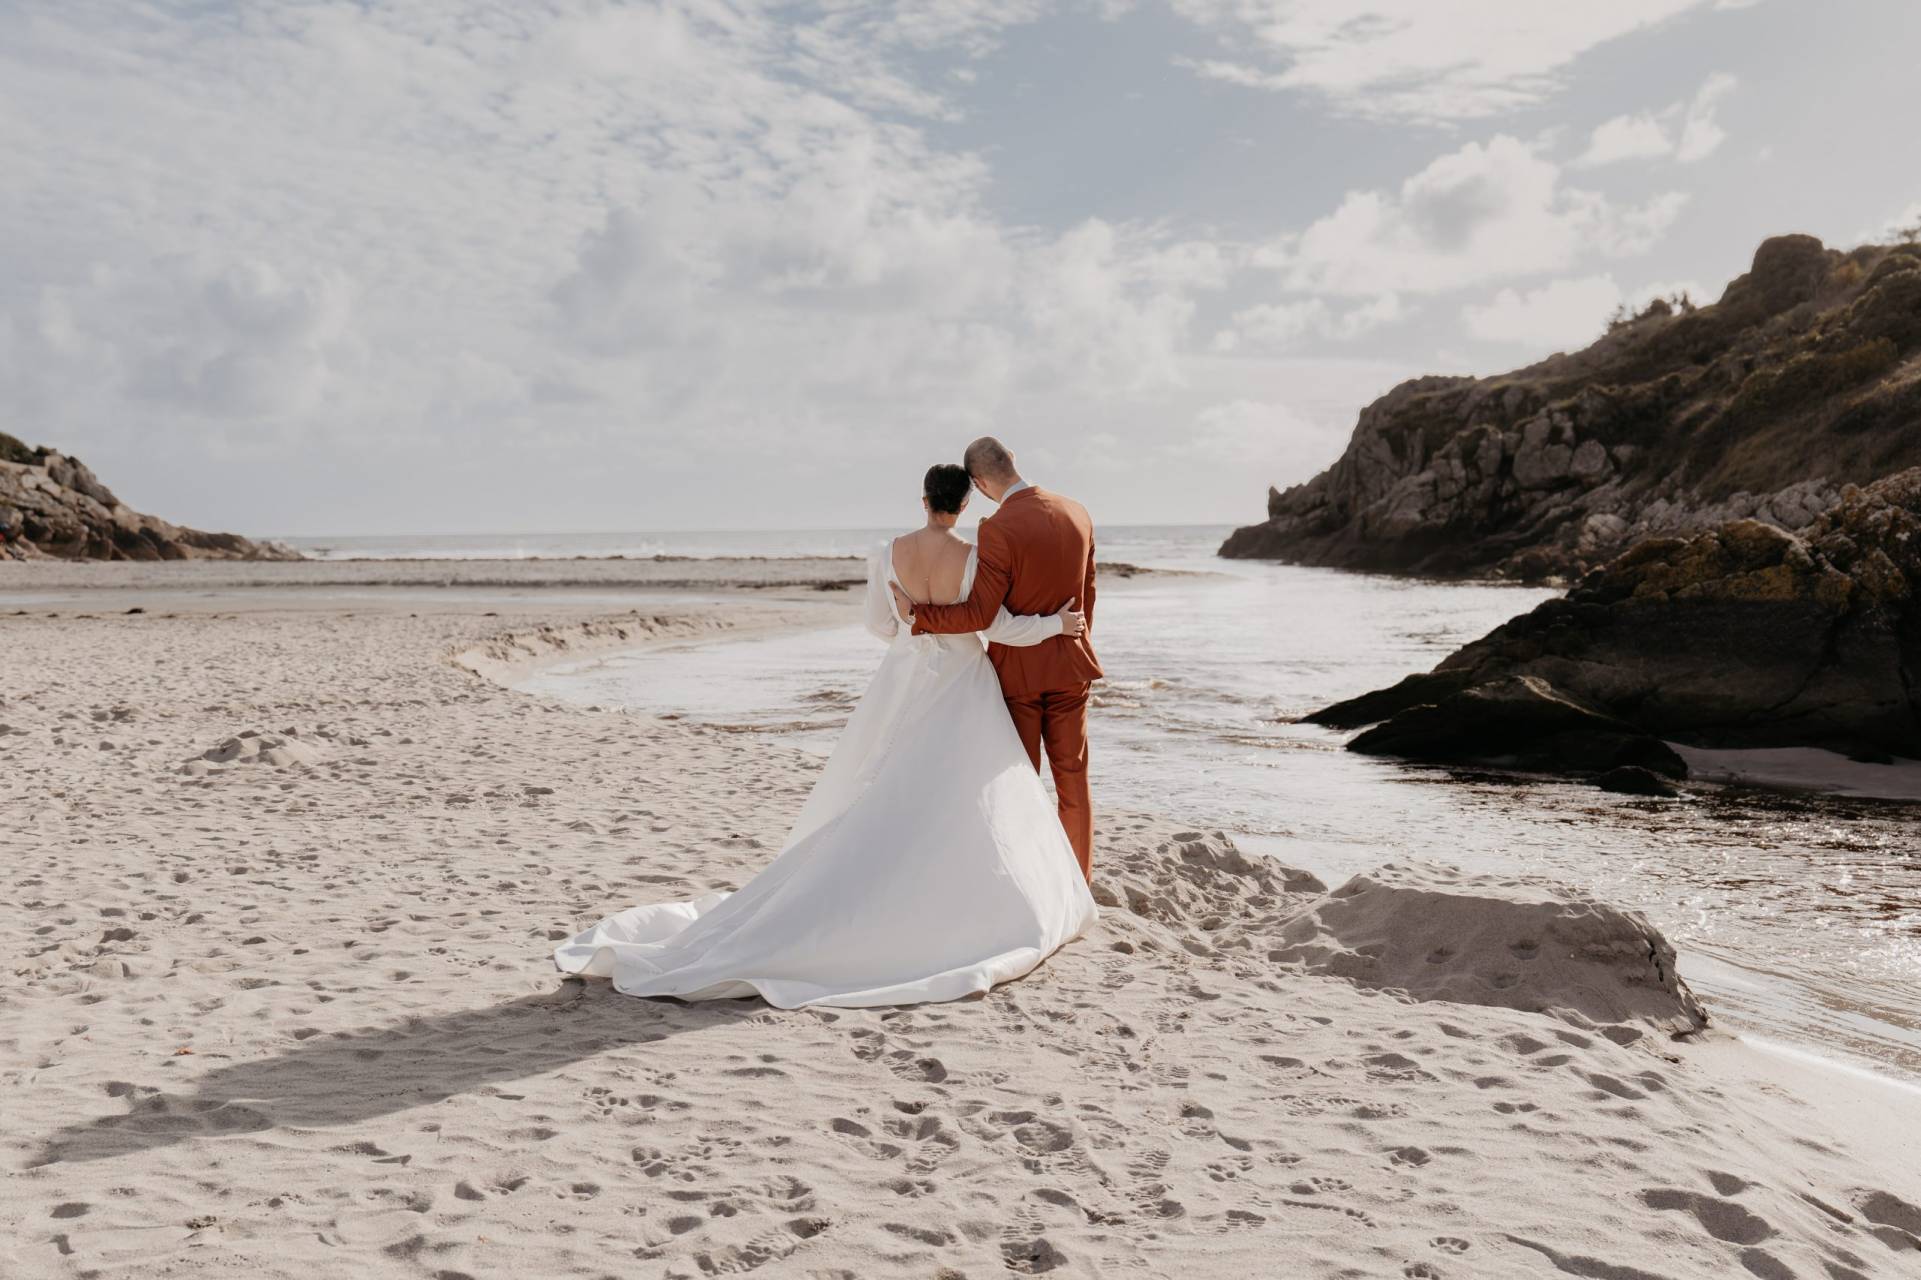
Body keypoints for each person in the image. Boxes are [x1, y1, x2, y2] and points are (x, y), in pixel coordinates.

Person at [552, 463, 1097, 1008]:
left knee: (885, 783)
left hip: (906, 673)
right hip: (961, 676)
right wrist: (1055, 626)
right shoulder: (973, 555)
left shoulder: (890, 552)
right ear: (966, 504)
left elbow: (877, 625)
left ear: (923, 499)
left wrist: (910, 631)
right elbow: (994, 625)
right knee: (958, 789)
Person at [892, 437, 1101, 880]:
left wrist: (919, 615)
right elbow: (1089, 595)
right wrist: (1073, 642)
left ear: (982, 482)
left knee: (1020, 782)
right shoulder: (1077, 512)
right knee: (1074, 783)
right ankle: (1078, 883)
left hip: (1018, 676)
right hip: (1071, 669)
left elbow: (981, 615)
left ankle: (1027, 881)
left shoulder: (998, 528)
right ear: (1013, 462)